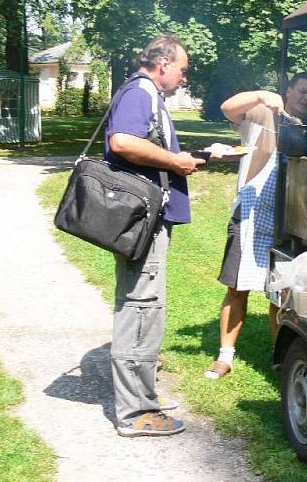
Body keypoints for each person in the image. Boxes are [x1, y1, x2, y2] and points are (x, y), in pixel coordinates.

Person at [106, 35, 205, 436]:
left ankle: (141, 398)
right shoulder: (140, 91)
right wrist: (176, 161)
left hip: (144, 220)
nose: (183, 78)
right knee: (141, 308)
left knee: (142, 304)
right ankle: (135, 413)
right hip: (141, 222)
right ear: (163, 63)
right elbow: (123, 141)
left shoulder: (148, 94)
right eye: (182, 69)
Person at [204, 72, 307, 379]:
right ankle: (225, 356)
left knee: (282, 292)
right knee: (236, 287)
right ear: (289, 90)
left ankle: (282, 359)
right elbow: (228, 108)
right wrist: (260, 94)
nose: (306, 98)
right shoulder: (263, 112)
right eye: (302, 91)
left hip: (289, 222)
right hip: (251, 213)